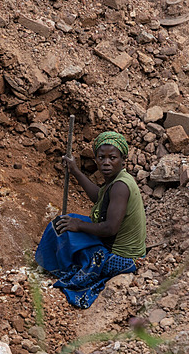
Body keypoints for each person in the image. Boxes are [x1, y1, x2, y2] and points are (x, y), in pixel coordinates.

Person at [35, 131, 146, 308]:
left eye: (113, 157)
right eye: (102, 157)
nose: (106, 162)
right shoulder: (115, 180)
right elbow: (98, 198)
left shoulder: (120, 186)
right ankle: (53, 263)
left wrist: (79, 226)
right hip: (115, 245)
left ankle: (62, 270)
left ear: (123, 159)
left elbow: (110, 229)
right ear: (96, 160)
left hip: (123, 258)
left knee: (67, 231)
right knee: (64, 222)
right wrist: (75, 171)